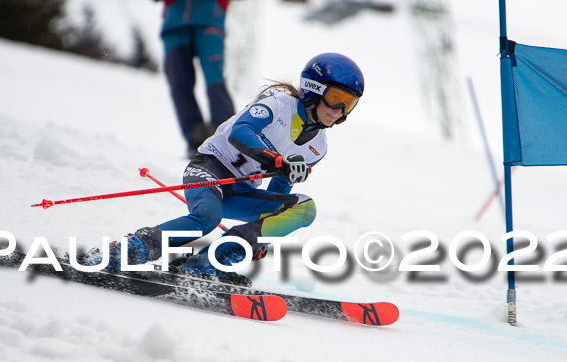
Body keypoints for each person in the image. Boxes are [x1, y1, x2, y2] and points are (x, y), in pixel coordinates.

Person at [93, 53, 364, 277]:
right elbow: (241, 131)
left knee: (304, 208)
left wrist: (259, 234)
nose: (340, 110)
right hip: (211, 169)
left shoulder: (318, 145)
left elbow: (281, 185)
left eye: (349, 103)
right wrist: (276, 159)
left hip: (241, 190)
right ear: (314, 90)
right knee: (206, 219)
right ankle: (131, 249)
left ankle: (205, 265)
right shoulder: (279, 104)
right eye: (336, 98)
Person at [159, 0, 235, 158]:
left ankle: (229, 142)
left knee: (215, 82)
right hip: (174, 19)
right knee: (178, 83)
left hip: (209, 15)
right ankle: (196, 141)